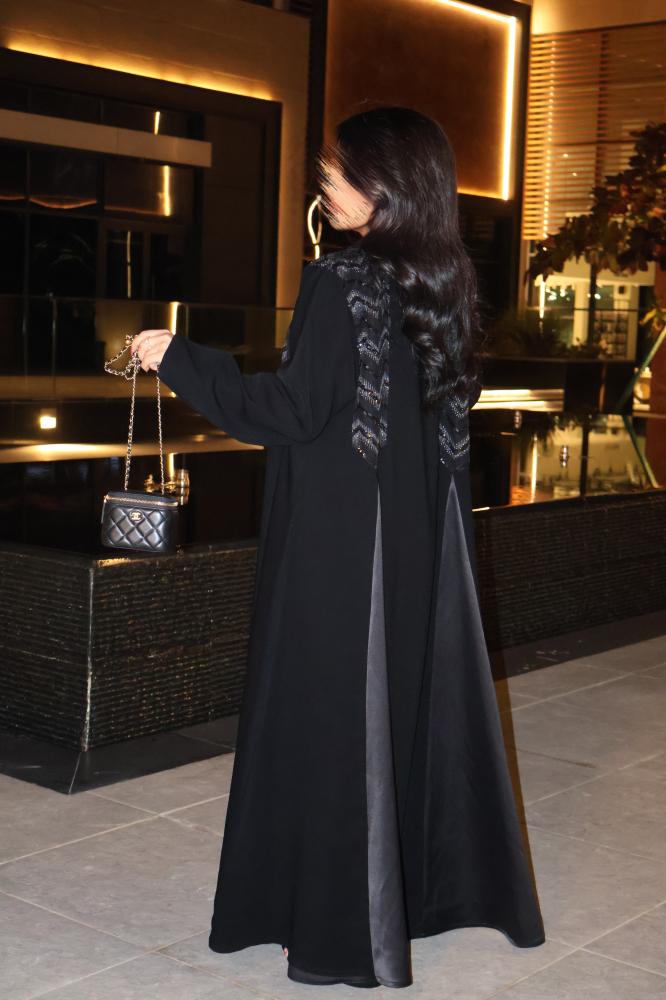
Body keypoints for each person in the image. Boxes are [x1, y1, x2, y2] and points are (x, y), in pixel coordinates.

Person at [130, 106, 546, 989]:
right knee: (389, 711)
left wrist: (181, 357)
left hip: (340, 545)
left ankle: (333, 929)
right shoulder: (442, 282)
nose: (324, 184)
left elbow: (290, 411)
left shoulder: (342, 278)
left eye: (338, 172)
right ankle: (398, 901)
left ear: (385, 185)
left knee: (327, 718)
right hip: (414, 540)